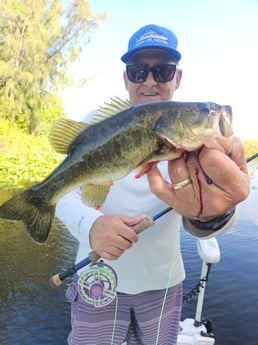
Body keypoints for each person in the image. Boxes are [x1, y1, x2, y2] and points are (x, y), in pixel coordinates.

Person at [55, 24, 249, 345]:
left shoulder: (196, 138)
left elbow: (213, 219)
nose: (149, 80)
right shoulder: (95, 124)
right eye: (138, 71)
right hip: (98, 278)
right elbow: (64, 195)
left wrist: (210, 216)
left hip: (162, 285)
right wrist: (91, 226)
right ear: (125, 78)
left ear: (177, 78)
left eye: (162, 71)